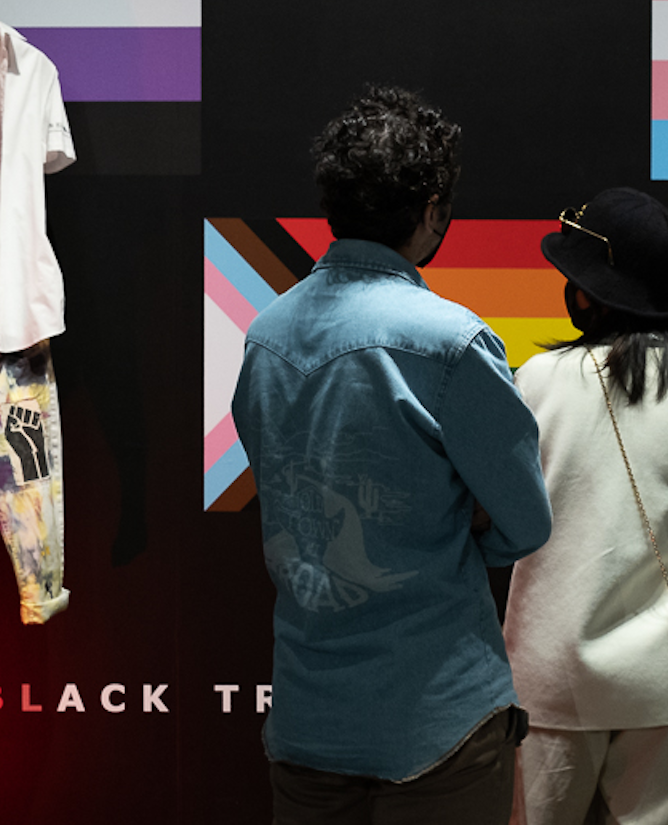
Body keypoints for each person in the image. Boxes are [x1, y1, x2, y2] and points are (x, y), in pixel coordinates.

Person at [230, 85, 553, 824]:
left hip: (308, 716)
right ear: (433, 208)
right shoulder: (453, 342)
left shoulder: (266, 334)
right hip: (437, 718)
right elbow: (525, 523)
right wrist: (455, 517)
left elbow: (278, 476)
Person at [503, 189, 668, 825]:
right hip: (665, 675)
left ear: (589, 293)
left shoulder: (534, 382)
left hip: (548, 674)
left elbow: (506, 523)